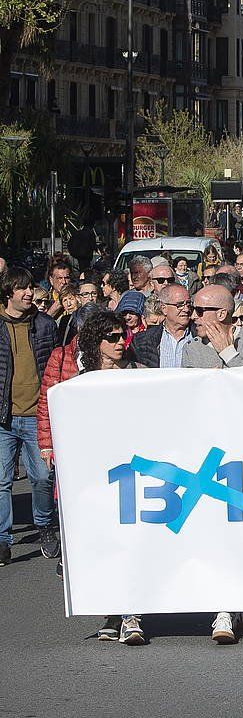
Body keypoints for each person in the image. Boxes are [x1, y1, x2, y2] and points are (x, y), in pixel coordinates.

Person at [37, 310, 144, 642]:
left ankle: (132, 615)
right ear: (96, 342)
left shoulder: (138, 372)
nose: (121, 343)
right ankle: (112, 612)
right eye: (112, 337)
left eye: (123, 336)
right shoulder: (75, 373)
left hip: (127, 471)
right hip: (88, 471)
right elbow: (49, 404)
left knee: (129, 541)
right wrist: (48, 445)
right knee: (100, 543)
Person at [0, 267, 59, 566]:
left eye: (30, 287)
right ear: (8, 292)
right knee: (1, 481)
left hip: (37, 415)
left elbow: (56, 364)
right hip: (4, 418)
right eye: (22, 288)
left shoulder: (45, 324)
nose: (28, 293)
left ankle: (45, 525)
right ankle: (3, 539)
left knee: (42, 477)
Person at [182, 286, 243, 368]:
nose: (193, 316)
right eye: (192, 309)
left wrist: (228, 353)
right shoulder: (191, 347)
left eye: (199, 311)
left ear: (222, 314)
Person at [129, 284, 194, 368]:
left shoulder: (200, 336)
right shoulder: (142, 340)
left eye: (188, 304)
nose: (186, 309)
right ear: (164, 308)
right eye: (180, 305)